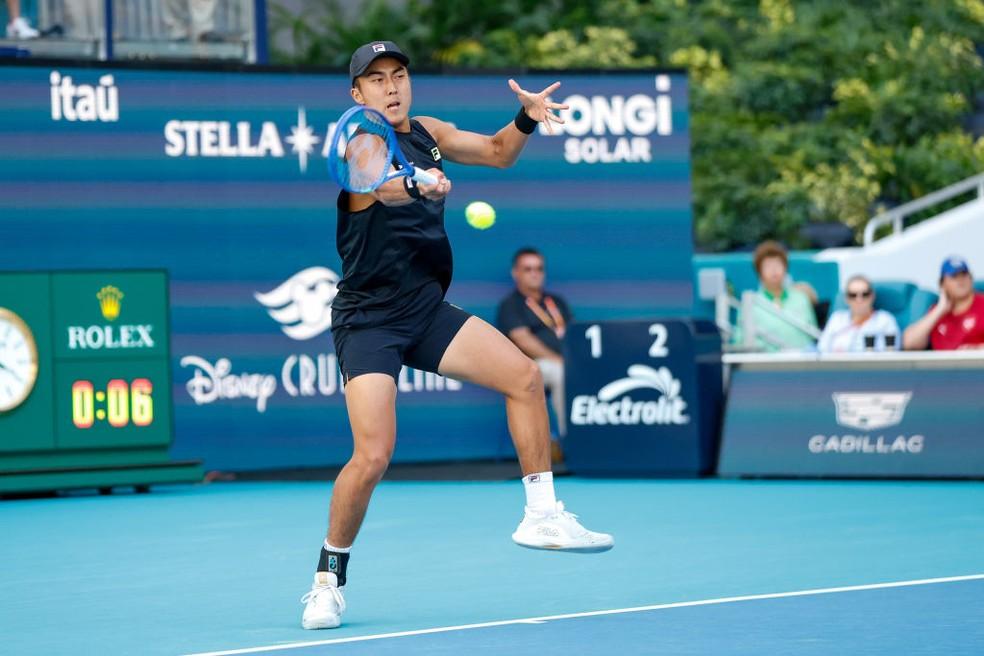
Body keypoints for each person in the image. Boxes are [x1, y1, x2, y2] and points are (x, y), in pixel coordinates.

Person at [301, 41, 613, 631]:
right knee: (373, 456)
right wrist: (420, 184)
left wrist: (526, 118)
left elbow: (498, 153)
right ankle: (326, 581)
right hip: (369, 321)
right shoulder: (362, 142)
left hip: (425, 309)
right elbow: (380, 184)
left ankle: (541, 514)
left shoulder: (431, 132)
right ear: (357, 94)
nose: (391, 86)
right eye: (376, 79)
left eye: (398, 75)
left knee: (524, 377)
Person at [497, 247, 572, 443]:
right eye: (528, 269)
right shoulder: (511, 304)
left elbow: (572, 333)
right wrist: (559, 360)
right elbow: (522, 339)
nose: (534, 274)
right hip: (530, 366)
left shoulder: (556, 302)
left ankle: (597, 438)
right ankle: (570, 441)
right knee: (559, 372)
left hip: (565, 362)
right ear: (516, 273)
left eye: (539, 269)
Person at [733, 240, 819, 351]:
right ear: (759, 272)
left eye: (778, 264)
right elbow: (741, 340)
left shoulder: (801, 298)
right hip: (764, 360)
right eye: (768, 266)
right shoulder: (750, 303)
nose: (774, 270)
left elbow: (811, 335)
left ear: (785, 268)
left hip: (800, 358)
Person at [903, 256, 984, 351]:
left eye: (964, 274)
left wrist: (978, 349)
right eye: (954, 276)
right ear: (942, 283)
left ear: (971, 278)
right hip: (943, 360)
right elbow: (909, 344)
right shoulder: (936, 311)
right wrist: (940, 309)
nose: (960, 280)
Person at [817, 275, 900, 353]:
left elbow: (892, 351)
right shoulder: (837, 319)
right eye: (853, 295)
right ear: (846, 298)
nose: (859, 300)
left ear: (872, 296)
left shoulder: (885, 320)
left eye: (865, 294)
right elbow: (822, 349)